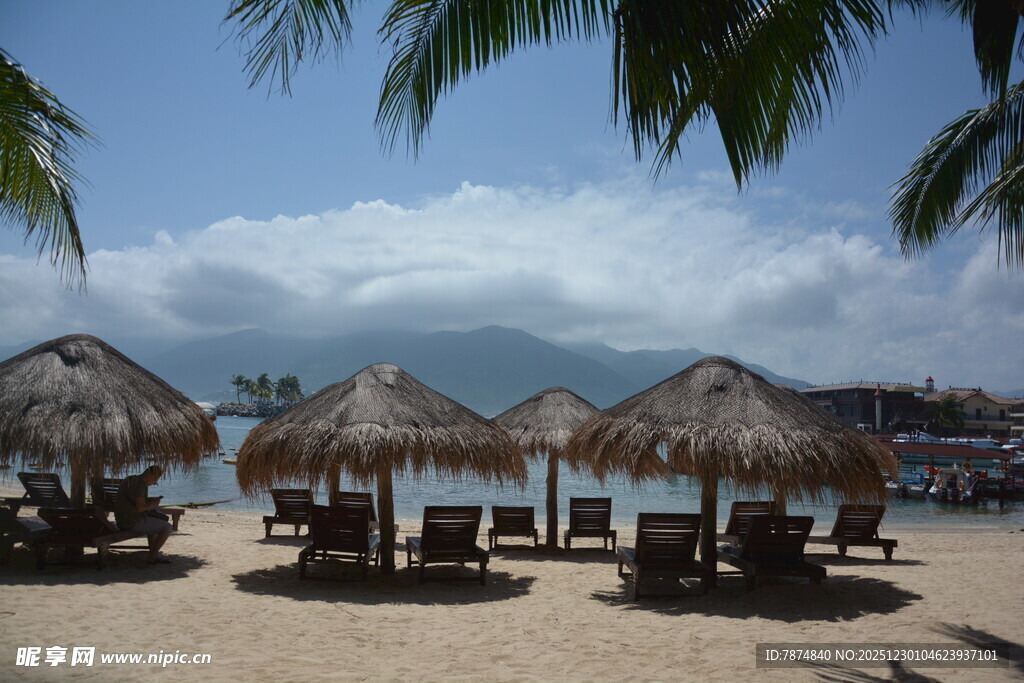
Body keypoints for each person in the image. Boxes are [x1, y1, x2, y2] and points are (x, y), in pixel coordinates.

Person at [114, 465, 173, 564]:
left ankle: (153, 553)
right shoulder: (141, 484)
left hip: (120, 520)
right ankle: (152, 557)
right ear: (152, 476)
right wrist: (153, 505)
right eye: (155, 481)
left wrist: (149, 501)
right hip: (132, 522)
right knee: (167, 527)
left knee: (155, 522)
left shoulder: (130, 479)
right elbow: (140, 508)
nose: (153, 483)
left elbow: (134, 500)